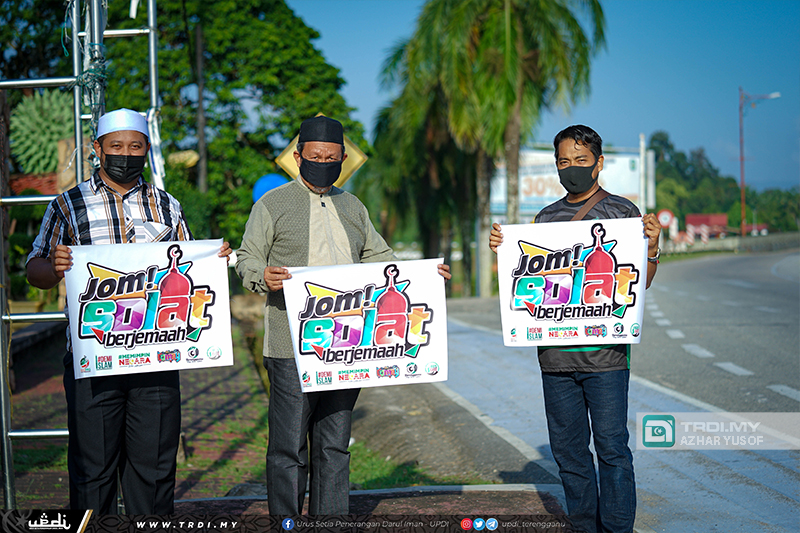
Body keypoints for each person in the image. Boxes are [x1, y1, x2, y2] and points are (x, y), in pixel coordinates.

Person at [236, 115, 450, 515]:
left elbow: (382, 258)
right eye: (315, 156)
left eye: (331, 158)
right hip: (290, 346)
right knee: (289, 445)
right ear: (298, 157)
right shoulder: (273, 204)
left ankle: (330, 521)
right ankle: (286, 522)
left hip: (349, 347)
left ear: (343, 159)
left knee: (334, 443)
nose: (323, 163)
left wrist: (424, 275)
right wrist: (261, 275)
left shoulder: (353, 206)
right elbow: (247, 258)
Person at [26, 108, 232, 514]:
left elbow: (192, 268)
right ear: (97, 148)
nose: (125, 153)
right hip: (93, 359)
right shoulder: (69, 205)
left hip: (156, 356)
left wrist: (215, 259)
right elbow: (34, 270)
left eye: (134, 146)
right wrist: (54, 266)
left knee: (154, 466)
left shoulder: (167, 206)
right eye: (116, 146)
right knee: (93, 466)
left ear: (146, 150)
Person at [489, 125, 661, 533]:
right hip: (556, 360)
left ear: (599, 163)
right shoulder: (545, 218)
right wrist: (504, 248)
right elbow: (525, 284)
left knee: (612, 449)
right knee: (569, 454)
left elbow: (641, 282)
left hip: (606, 359)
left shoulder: (623, 214)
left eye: (581, 161)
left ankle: (617, 528)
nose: (572, 169)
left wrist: (651, 249)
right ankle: (584, 526)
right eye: (564, 162)